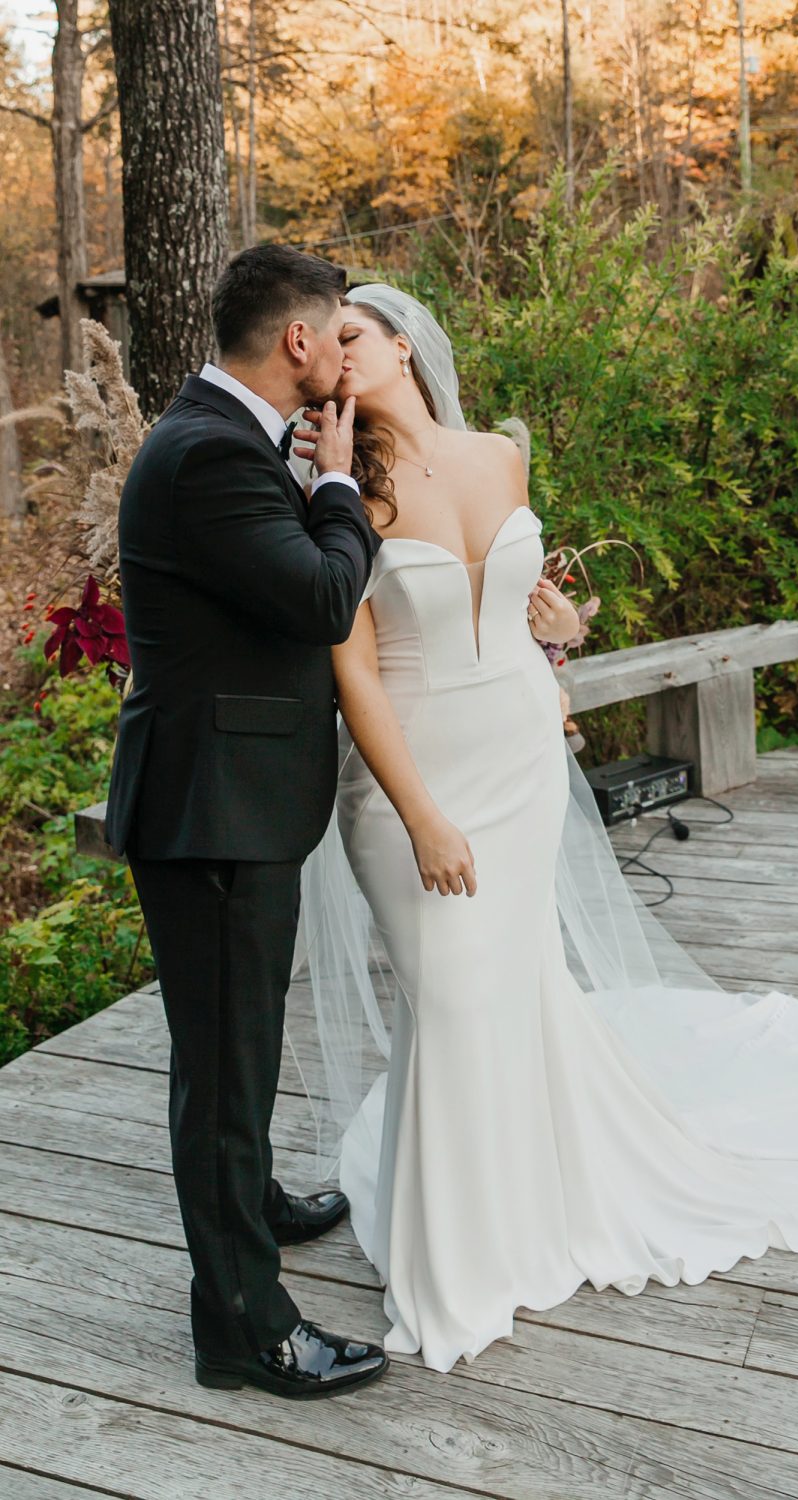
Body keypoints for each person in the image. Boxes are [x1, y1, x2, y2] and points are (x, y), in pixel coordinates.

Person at [292, 283, 798, 1376]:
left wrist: (559, 629)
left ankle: (535, 1196)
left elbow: (524, 610)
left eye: (351, 337)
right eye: (321, 347)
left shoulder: (499, 456)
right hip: (410, 775)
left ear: (399, 342)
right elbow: (349, 674)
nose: (334, 358)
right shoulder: (334, 490)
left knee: (518, 984)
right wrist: (421, 814)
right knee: (453, 994)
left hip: (521, 753)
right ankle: (461, 1255)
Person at [104, 245, 389, 1399]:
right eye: (336, 330)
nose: (342, 349)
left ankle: (254, 1202)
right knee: (222, 1071)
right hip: (211, 811)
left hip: (229, 798)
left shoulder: (220, 439)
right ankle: (244, 1326)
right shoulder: (210, 455)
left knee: (239, 1045)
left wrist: (314, 473)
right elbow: (325, 595)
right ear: (298, 344)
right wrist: (338, 490)